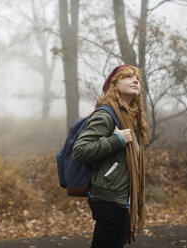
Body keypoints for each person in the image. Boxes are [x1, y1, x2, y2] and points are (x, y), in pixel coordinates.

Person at [72, 65, 148, 247]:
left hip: (120, 198)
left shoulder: (130, 118)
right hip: (108, 199)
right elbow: (80, 150)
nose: (135, 80)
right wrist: (116, 139)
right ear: (114, 85)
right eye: (128, 77)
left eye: (137, 77)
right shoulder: (106, 116)